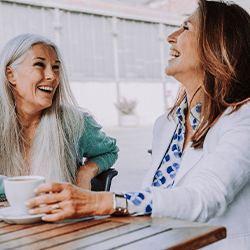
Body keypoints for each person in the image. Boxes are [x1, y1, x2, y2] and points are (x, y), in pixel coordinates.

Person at [26, 0, 250, 249]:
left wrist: (100, 202)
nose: (171, 36)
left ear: (217, 44)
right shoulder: (166, 125)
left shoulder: (244, 119)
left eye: (185, 28)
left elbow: (204, 197)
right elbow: (157, 197)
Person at [0, 33, 119, 195]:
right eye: (39, 64)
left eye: (55, 67)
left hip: (56, 219)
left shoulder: (75, 122)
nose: (52, 76)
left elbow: (109, 151)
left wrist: (85, 172)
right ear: (10, 75)